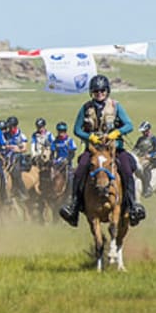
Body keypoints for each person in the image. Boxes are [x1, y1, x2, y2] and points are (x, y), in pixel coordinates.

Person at [59, 74, 145, 227]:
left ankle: (133, 206)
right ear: (92, 92)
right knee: (79, 171)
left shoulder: (116, 106)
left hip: (114, 149)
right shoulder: (86, 108)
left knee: (126, 169)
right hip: (93, 150)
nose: (99, 93)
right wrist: (90, 137)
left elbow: (129, 125)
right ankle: (74, 206)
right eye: (96, 91)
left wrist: (116, 133)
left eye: (102, 90)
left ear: (107, 91)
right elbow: (77, 129)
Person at [133, 121, 156, 197]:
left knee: (145, 169)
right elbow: (136, 148)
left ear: (148, 130)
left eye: (144, 131)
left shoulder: (153, 139)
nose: (143, 133)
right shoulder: (140, 139)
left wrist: (150, 155)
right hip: (140, 158)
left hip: (150, 160)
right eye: (142, 132)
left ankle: (147, 187)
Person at [1, 116, 30, 197]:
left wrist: (18, 149)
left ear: (15, 126)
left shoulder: (21, 135)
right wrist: (7, 147)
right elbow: (2, 144)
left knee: (15, 171)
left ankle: (22, 192)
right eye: (9, 127)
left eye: (11, 127)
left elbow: (24, 148)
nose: (9, 129)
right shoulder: (5, 135)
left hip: (17, 156)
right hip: (5, 155)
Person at [51, 121, 77, 186]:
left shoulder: (69, 141)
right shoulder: (55, 141)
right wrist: (53, 160)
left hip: (67, 164)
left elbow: (72, 153)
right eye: (59, 131)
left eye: (62, 131)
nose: (61, 133)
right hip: (58, 163)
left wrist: (67, 159)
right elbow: (52, 152)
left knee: (70, 177)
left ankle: (71, 193)